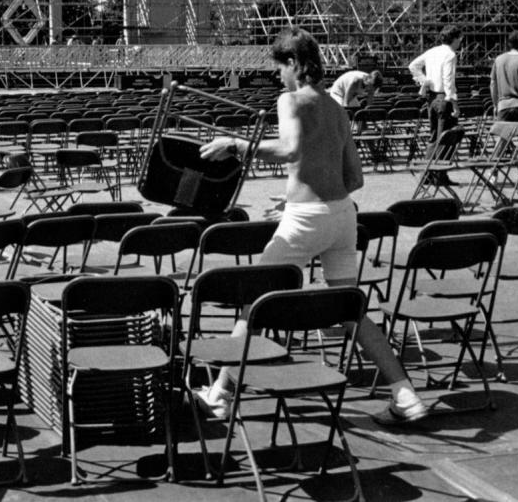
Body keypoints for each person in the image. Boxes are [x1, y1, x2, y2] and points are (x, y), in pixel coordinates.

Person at [197, 27, 427, 422]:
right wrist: (312, 184)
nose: (277, 77)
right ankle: (405, 396)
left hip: (306, 220)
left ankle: (219, 395)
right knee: (351, 311)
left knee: (255, 303)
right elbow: (355, 177)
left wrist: (235, 145)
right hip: (342, 215)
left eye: (280, 68)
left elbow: (289, 149)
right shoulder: (337, 107)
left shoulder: (290, 99)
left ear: (294, 64)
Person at [409, 26, 461, 143]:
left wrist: (425, 80)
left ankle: (430, 160)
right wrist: (455, 105)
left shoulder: (432, 51)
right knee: (445, 138)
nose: (460, 41)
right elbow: (448, 81)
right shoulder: (451, 54)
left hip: (431, 98)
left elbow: (413, 66)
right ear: (454, 39)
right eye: (459, 38)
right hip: (444, 98)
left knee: (433, 137)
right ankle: (442, 161)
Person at [490, 29, 518, 154]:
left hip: (503, 105)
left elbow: (493, 83)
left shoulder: (499, 59)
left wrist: (495, 104)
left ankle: (493, 170)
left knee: (503, 138)